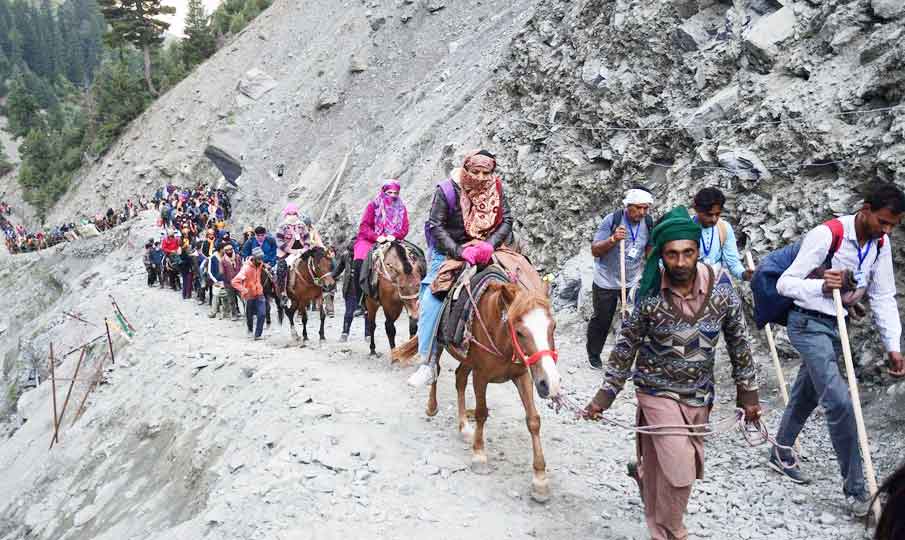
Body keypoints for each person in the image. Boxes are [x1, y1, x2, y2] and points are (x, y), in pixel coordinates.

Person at [583, 206, 761, 540]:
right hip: (656, 392)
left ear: (697, 250)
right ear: (661, 256)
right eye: (672, 255)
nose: (680, 262)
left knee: (675, 463)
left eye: (687, 253)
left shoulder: (722, 287)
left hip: (699, 394)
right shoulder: (649, 292)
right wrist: (603, 398)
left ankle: (645, 478)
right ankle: (671, 532)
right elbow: (626, 346)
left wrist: (748, 394)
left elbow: (739, 341)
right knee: (680, 468)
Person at [770, 183, 905, 518]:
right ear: (865, 209)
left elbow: (883, 296)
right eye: (883, 222)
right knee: (840, 402)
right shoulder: (827, 234)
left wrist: (893, 345)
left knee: (808, 393)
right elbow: (785, 283)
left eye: (893, 225)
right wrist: (821, 284)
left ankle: (780, 450)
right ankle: (857, 492)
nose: (886, 230)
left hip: (835, 325)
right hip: (806, 323)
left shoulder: (880, 244)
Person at [407, 150, 513, 386]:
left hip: (487, 248)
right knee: (433, 299)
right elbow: (435, 226)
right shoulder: (447, 190)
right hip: (449, 252)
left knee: (518, 283)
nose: (481, 177)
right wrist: (459, 251)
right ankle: (428, 362)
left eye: (486, 173)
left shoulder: (496, 188)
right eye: (476, 171)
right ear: (466, 169)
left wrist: (489, 244)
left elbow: (506, 220)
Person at [586, 186, 654, 369]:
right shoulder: (612, 220)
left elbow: (649, 250)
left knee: (633, 322)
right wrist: (613, 239)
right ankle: (594, 355)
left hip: (631, 280)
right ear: (628, 206)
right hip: (606, 280)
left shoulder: (648, 222)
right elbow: (595, 250)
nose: (642, 212)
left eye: (645, 208)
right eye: (638, 208)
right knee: (602, 320)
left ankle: (625, 361)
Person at [355, 179, 411, 299]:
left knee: (414, 256)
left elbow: (405, 228)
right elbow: (364, 226)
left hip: (393, 239)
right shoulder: (373, 205)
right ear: (383, 192)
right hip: (370, 239)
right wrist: (376, 237)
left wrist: (395, 236)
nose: (393, 196)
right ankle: (359, 298)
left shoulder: (401, 208)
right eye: (389, 192)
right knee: (359, 260)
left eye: (396, 193)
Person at [691, 187, 751, 281]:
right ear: (696, 209)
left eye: (717, 214)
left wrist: (744, 275)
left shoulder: (724, 228)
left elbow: (733, 263)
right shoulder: (684, 228)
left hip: (715, 280)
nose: (714, 219)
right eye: (709, 215)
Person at [275, 203, 322, 297]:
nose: (292, 216)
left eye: (294, 213)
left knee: (316, 263)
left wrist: (305, 248)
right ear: (286, 214)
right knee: (281, 269)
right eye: (290, 214)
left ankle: (320, 286)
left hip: (302, 251)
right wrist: (290, 250)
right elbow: (279, 241)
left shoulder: (302, 225)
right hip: (286, 253)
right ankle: (282, 292)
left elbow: (307, 238)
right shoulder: (282, 226)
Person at [232, 247, 267, 340]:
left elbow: (262, 267)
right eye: (259, 259)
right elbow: (234, 282)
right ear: (254, 258)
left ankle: (258, 335)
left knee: (262, 314)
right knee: (249, 315)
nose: (260, 261)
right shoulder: (246, 268)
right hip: (249, 295)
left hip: (259, 293)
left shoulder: (260, 265)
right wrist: (244, 290)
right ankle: (250, 330)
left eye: (261, 259)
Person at [331, 240, 362, 341]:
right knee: (348, 313)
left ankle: (368, 335)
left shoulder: (366, 256)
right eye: (350, 252)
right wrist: (331, 277)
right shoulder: (345, 256)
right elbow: (339, 269)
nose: (352, 255)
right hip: (349, 288)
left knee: (367, 313)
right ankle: (345, 333)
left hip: (363, 290)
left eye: (354, 253)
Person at [219, 239, 243, 321]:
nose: (229, 251)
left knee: (243, 298)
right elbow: (221, 272)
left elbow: (241, 268)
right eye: (227, 250)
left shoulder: (237, 257)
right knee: (231, 300)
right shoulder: (223, 260)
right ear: (225, 251)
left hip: (239, 282)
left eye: (230, 249)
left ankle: (248, 312)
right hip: (229, 284)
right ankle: (234, 314)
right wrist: (226, 280)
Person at [207, 245, 227, 319]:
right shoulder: (212, 258)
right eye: (224, 249)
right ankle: (213, 312)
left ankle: (226, 312)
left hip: (225, 280)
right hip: (217, 281)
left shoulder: (226, 257)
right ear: (220, 249)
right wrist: (215, 281)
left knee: (226, 297)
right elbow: (210, 271)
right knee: (215, 296)